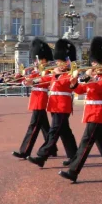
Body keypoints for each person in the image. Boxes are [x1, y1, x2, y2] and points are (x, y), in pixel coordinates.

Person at [58, 36, 102, 183]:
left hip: (98, 112)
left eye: (95, 62)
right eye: (92, 62)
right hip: (92, 111)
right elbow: (82, 90)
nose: (92, 65)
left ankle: (73, 171)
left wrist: (89, 78)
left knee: (86, 142)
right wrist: (75, 83)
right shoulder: (95, 77)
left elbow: (100, 89)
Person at [27, 38, 79, 167]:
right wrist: (32, 81)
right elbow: (46, 80)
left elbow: (64, 84)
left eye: (60, 61)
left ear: (67, 61)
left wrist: (56, 75)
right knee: (65, 131)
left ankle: (42, 156)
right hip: (55, 105)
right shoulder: (58, 72)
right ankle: (74, 156)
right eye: (58, 61)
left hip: (62, 106)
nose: (57, 63)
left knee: (54, 131)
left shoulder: (71, 73)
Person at [12, 37, 56, 160]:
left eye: (39, 59)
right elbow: (28, 79)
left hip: (41, 99)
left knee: (34, 126)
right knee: (43, 126)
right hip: (36, 99)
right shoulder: (36, 71)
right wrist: (20, 77)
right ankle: (52, 148)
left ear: (45, 59)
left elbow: (47, 80)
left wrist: (33, 80)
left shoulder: (49, 70)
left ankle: (25, 150)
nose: (36, 62)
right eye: (36, 59)